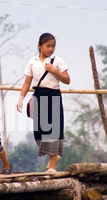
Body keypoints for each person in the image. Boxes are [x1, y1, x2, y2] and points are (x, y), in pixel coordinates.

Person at [16, 33, 70, 172]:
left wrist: (54, 71)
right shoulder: (33, 61)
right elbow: (27, 81)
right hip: (39, 95)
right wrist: (21, 98)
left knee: (52, 130)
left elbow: (67, 79)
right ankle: (54, 155)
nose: (51, 49)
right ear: (40, 46)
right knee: (38, 131)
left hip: (53, 95)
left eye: (53, 46)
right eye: (48, 46)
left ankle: (52, 165)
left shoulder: (57, 61)